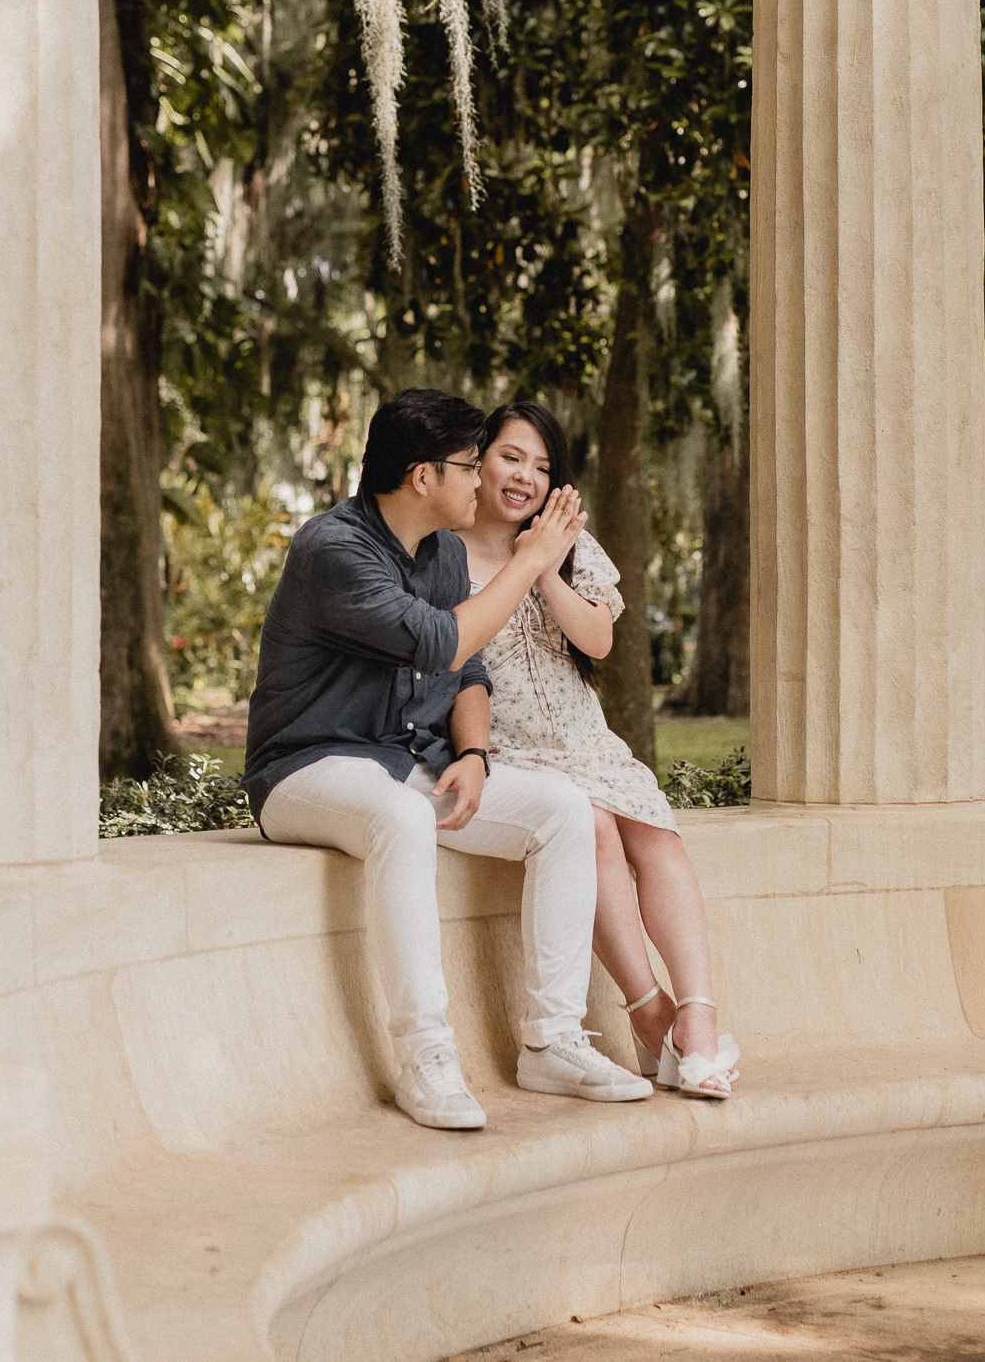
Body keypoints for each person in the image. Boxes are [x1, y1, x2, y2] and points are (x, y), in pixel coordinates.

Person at [246, 388, 655, 1131]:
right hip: (305, 770)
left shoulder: (440, 553)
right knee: (401, 815)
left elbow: (466, 674)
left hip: (407, 759)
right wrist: (532, 559)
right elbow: (442, 643)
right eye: (471, 465)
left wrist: (470, 750)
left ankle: (553, 1040)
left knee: (561, 809)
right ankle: (426, 1055)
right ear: (422, 478)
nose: (482, 482)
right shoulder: (333, 551)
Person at [455, 400, 740, 1099]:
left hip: (586, 739)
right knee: (596, 831)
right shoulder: (441, 551)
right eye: (511, 457)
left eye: (542, 466)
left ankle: (697, 1021)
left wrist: (544, 562)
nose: (524, 476)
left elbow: (599, 641)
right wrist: (521, 561)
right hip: (512, 749)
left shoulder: (572, 544)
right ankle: (652, 1017)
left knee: (658, 836)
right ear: (479, 459)